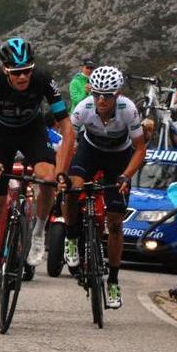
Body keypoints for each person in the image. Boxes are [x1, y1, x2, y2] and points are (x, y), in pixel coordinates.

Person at [0, 37, 75, 310]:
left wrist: (62, 172)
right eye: (16, 73)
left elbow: (66, 127)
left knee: (47, 179)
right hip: (0, 136)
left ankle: (38, 231)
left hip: (31, 131)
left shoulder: (42, 79)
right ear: (5, 70)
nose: (23, 77)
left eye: (27, 70)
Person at [62, 66, 147, 309]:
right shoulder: (84, 108)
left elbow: (140, 149)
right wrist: (61, 172)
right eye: (97, 93)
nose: (101, 99)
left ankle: (113, 280)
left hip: (119, 158)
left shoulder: (128, 110)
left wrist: (126, 176)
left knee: (116, 221)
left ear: (117, 94)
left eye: (107, 95)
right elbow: (68, 141)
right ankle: (71, 237)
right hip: (89, 152)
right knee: (72, 189)